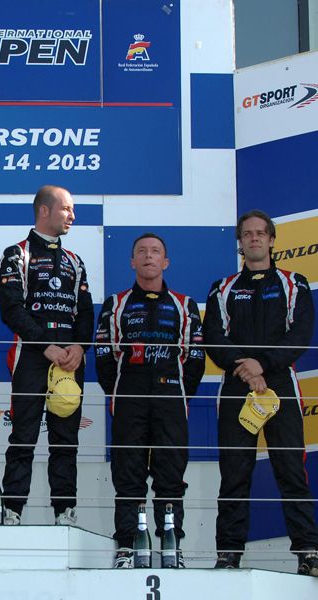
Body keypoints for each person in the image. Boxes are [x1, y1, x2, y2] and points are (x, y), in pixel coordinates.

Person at [203, 210, 318, 574]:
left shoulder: (294, 283)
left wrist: (262, 365)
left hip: (280, 383)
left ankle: (308, 552)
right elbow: (214, 338)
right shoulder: (222, 287)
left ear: (271, 240)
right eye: (247, 233)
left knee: (291, 470)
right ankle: (229, 554)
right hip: (237, 384)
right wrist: (246, 368)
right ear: (239, 242)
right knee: (235, 473)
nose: (254, 238)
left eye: (260, 233)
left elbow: (300, 335)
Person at [94, 233, 205, 568]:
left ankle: (171, 548)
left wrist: (178, 391)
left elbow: (196, 358)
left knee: (171, 477)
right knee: (128, 476)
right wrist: (120, 393)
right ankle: (128, 548)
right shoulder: (116, 303)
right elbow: (104, 356)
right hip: (130, 396)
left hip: (171, 396)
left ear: (165, 262)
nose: (148, 256)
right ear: (132, 261)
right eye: (141, 251)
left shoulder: (185, 304)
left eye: (155, 252)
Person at [0, 185, 93, 526]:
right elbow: (11, 309)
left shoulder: (75, 261)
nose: (72, 216)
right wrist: (43, 345)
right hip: (32, 355)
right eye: (66, 208)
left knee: (66, 439)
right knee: (23, 436)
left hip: (69, 359)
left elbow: (85, 312)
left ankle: (65, 511)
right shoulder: (16, 255)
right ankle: (12, 510)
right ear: (44, 211)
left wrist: (79, 346)